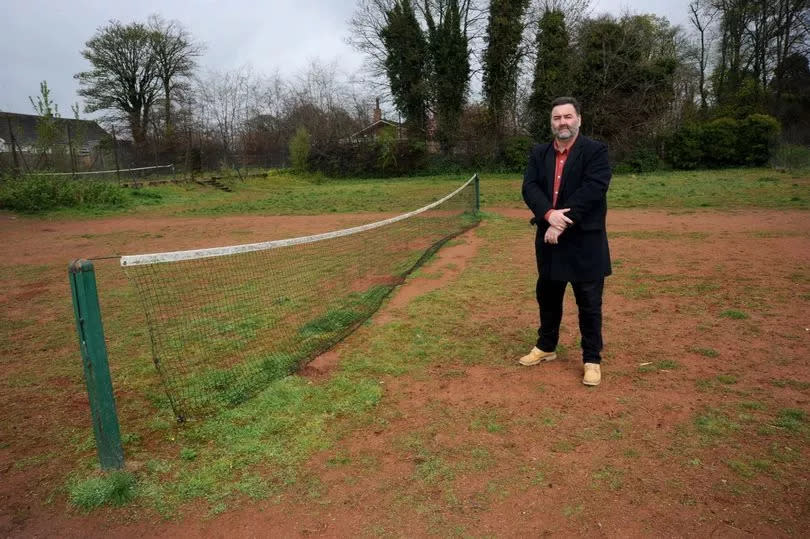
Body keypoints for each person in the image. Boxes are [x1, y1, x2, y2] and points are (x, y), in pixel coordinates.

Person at [519, 96, 612, 386]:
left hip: (585, 241)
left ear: (579, 119)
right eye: (557, 117)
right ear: (551, 123)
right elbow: (529, 187)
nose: (563, 122)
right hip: (548, 241)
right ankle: (546, 347)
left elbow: (592, 190)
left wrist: (559, 224)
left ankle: (592, 359)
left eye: (568, 116)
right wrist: (548, 214)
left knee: (589, 304)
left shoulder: (596, 151)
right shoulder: (539, 153)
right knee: (547, 298)